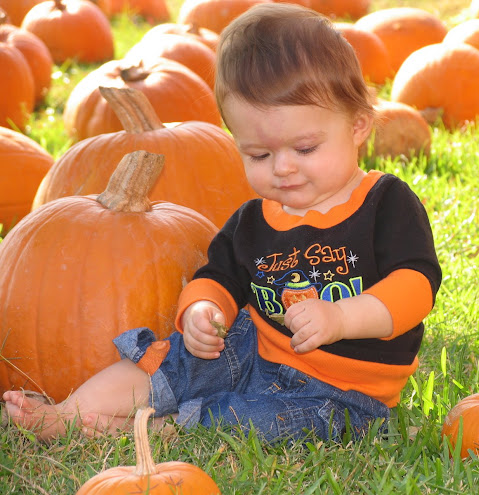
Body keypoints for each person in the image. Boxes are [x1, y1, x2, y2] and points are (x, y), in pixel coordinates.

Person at [2, 3, 442, 444]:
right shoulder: (252, 220)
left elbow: (416, 284)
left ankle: (146, 432)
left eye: (305, 148)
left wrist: (342, 317)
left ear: (359, 125)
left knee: (249, 421)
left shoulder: (384, 202)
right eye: (259, 155)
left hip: (343, 393)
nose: (283, 168)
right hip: (255, 350)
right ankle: (69, 413)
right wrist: (201, 308)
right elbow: (218, 276)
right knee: (171, 358)